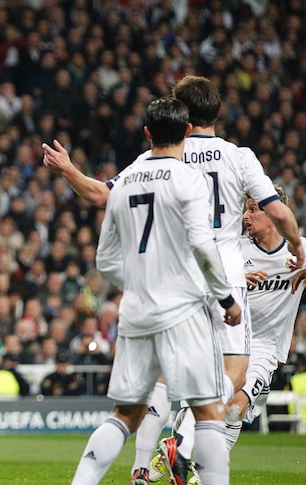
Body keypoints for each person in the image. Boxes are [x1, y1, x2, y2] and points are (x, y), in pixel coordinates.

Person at [44, 75, 304, 484]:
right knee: (221, 392)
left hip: (164, 290)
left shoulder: (146, 167)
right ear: (215, 113)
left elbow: (100, 205)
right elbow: (274, 213)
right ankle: (183, 448)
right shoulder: (236, 157)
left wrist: (69, 170)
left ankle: (138, 469)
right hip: (223, 279)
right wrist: (296, 245)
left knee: (143, 399)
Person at [70, 97, 241, 485]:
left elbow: (106, 260)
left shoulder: (124, 181)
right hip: (183, 312)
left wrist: (142, 283)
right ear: (186, 133)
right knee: (207, 412)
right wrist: (226, 298)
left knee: (124, 415)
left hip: (136, 311)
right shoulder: (189, 179)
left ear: (147, 133)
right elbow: (202, 245)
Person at [225, 187, 306, 438]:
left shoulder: (299, 249)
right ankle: (180, 450)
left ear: (273, 213)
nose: (244, 217)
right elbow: (199, 282)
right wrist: (236, 279)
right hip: (228, 343)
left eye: (251, 209)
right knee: (210, 410)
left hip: (265, 347)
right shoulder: (234, 249)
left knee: (235, 409)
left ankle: (193, 465)